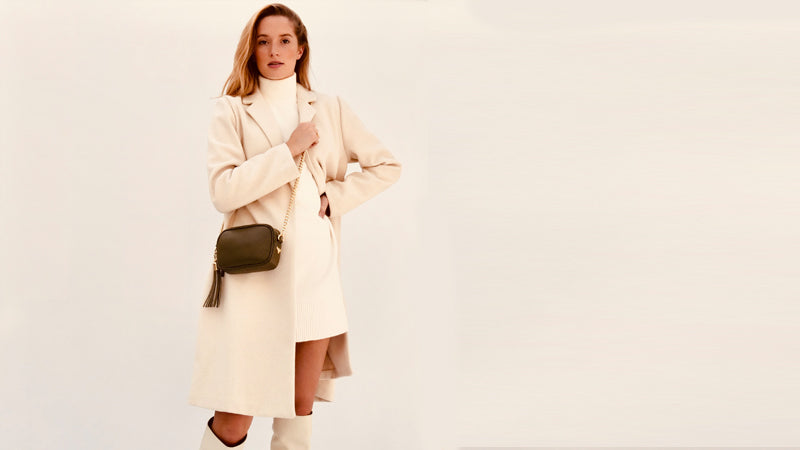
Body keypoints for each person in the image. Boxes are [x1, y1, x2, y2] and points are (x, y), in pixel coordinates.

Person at [187, 3, 402, 449]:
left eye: (284, 41)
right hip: (256, 280)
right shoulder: (232, 110)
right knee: (233, 421)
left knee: (299, 411)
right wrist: (288, 152)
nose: (274, 51)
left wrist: (334, 197)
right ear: (252, 49)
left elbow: (386, 165)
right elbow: (223, 191)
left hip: (315, 276)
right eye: (263, 41)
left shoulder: (329, 108)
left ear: (301, 49)